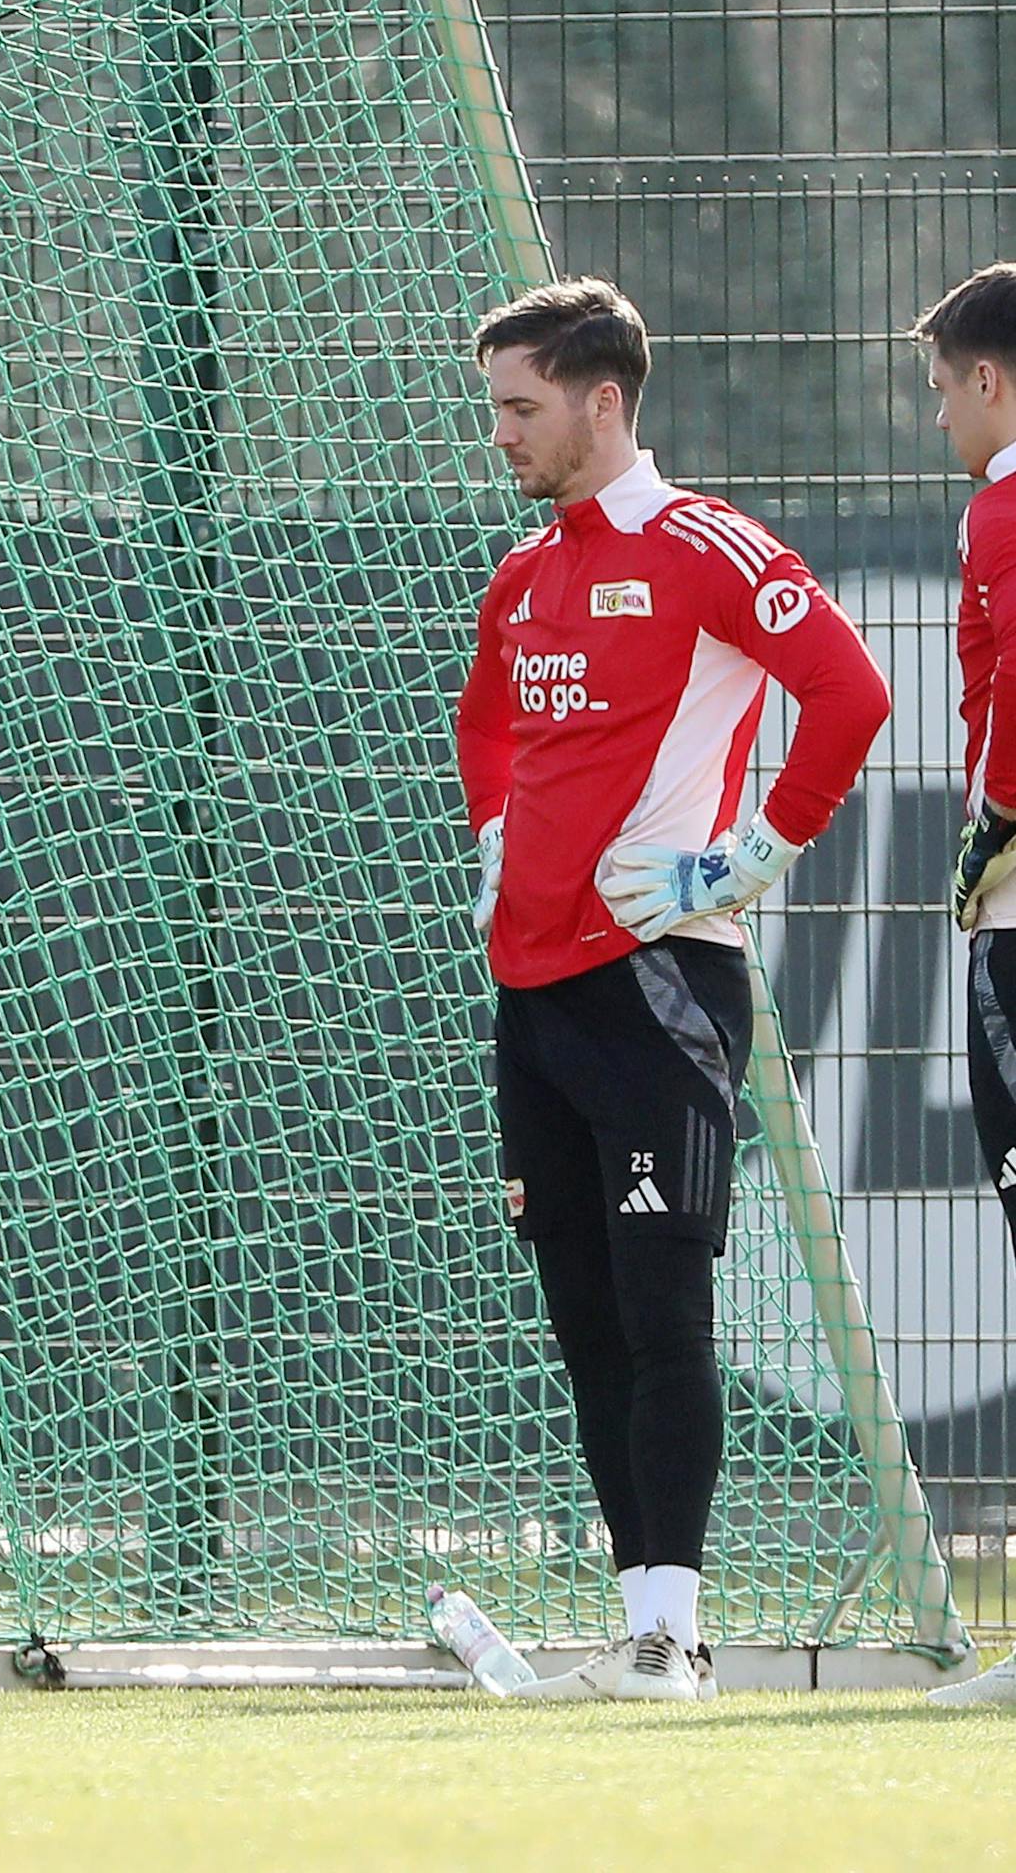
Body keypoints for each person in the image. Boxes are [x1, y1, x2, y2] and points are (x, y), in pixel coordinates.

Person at [454, 278, 890, 1703]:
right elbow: (484, 725)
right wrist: (493, 836)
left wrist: (750, 854)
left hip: (659, 986)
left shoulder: (705, 544)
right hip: (533, 997)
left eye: (521, 406)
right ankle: (644, 1626)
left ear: (603, 401)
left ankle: (675, 1635)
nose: (502, 433)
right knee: (586, 1322)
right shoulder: (523, 575)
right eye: (495, 407)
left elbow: (850, 694)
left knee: (660, 1315)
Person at [913, 263, 1016, 1709]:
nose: (936, 414)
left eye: (942, 387)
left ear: (988, 379)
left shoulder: (1001, 508)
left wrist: (991, 827)